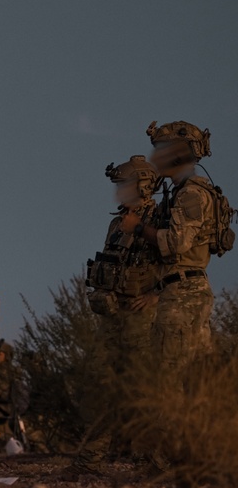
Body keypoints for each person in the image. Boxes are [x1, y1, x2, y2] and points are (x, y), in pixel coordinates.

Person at [121, 121, 218, 372]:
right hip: (179, 291)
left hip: (184, 295)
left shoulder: (191, 194)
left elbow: (177, 243)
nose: (156, 157)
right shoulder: (179, 192)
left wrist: (139, 228)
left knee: (170, 375)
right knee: (192, 377)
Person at [87, 155, 163, 365]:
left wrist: (155, 296)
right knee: (97, 370)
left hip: (140, 314)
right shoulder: (116, 223)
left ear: (143, 186)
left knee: (137, 374)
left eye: (124, 186)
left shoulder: (159, 219)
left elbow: (176, 261)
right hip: (112, 312)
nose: (119, 192)